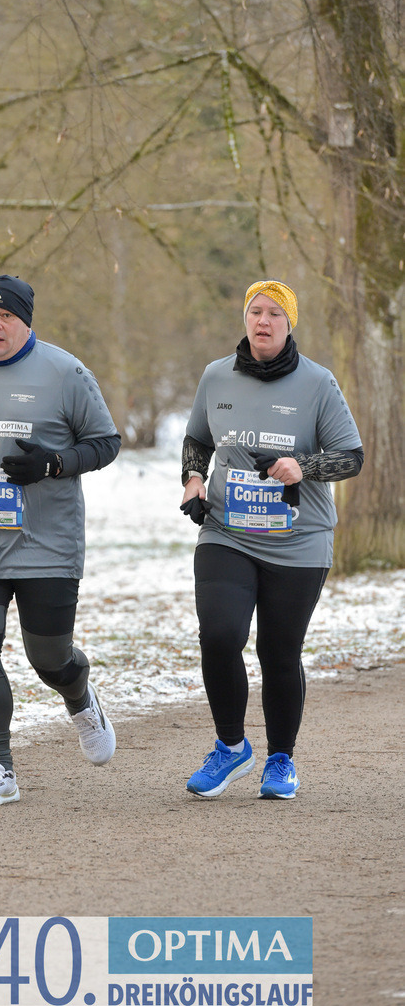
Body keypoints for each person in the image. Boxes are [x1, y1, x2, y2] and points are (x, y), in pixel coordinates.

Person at [0, 274, 121, 806]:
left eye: (5, 316)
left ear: (25, 321)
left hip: (47, 545)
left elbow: (106, 443)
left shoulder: (65, 372)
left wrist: (53, 463)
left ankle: (79, 694)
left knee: (47, 657)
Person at [180, 279, 363, 800]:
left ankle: (280, 759)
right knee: (218, 635)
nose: (262, 322)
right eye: (255, 312)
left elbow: (351, 457)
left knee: (278, 651)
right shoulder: (216, 376)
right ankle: (231, 747)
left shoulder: (318, 383)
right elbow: (197, 439)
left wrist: (300, 466)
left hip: (297, 540)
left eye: (274, 315)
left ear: (289, 324)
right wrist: (194, 478)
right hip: (227, 533)